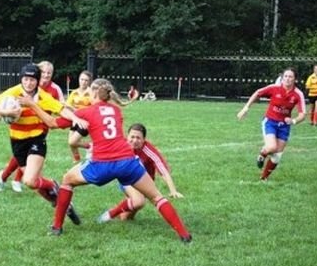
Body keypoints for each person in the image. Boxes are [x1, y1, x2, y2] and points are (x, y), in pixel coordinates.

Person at [20, 78, 192, 243]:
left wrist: (31, 104)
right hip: (128, 162)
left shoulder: (87, 112)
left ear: (94, 93)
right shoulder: (117, 111)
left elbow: (51, 122)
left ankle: (57, 227)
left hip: (102, 165)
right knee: (157, 197)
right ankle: (184, 235)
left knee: (67, 180)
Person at [0, 63, 83, 225]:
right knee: (34, 185)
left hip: (36, 140)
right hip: (17, 142)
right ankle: (58, 200)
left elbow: (60, 109)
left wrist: (75, 118)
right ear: (21, 79)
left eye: (32, 80)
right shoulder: (13, 92)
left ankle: (53, 186)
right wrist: (6, 112)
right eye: (26, 79)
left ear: (37, 81)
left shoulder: (42, 96)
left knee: (29, 180)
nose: (29, 83)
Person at [0, 60, 66, 192]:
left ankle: (15, 179)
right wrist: (3, 112)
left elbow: (61, 104)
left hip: (42, 127)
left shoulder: (54, 89)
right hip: (24, 129)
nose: (46, 75)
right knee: (21, 157)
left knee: (29, 158)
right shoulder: (26, 86)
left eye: (49, 73)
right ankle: (10, 177)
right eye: (43, 72)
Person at [237, 67, 306, 181]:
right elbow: (257, 93)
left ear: (295, 79)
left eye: (291, 77)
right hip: (270, 122)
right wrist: (246, 108)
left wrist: (293, 121)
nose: (288, 79)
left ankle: (263, 178)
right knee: (272, 147)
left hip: (284, 126)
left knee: (277, 156)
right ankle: (262, 154)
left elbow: (303, 114)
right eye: (286, 76)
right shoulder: (274, 88)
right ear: (282, 78)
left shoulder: (298, 94)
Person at [106, 123, 184, 221]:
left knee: (128, 217)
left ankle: (118, 212)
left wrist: (173, 190)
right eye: (132, 137)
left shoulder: (149, 151)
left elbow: (163, 171)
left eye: (138, 138)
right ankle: (113, 213)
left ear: (144, 139)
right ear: (127, 136)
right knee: (138, 201)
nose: (134, 140)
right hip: (127, 179)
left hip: (144, 182)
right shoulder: (122, 146)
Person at [65, 70, 93, 162]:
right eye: (82, 79)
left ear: (89, 82)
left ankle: (89, 146)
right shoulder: (74, 92)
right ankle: (76, 160)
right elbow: (67, 105)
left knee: (72, 141)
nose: (83, 82)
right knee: (71, 144)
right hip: (75, 119)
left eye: (86, 80)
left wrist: (76, 109)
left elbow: (94, 108)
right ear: (79, 80)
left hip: (85, 121)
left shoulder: (91, 93)